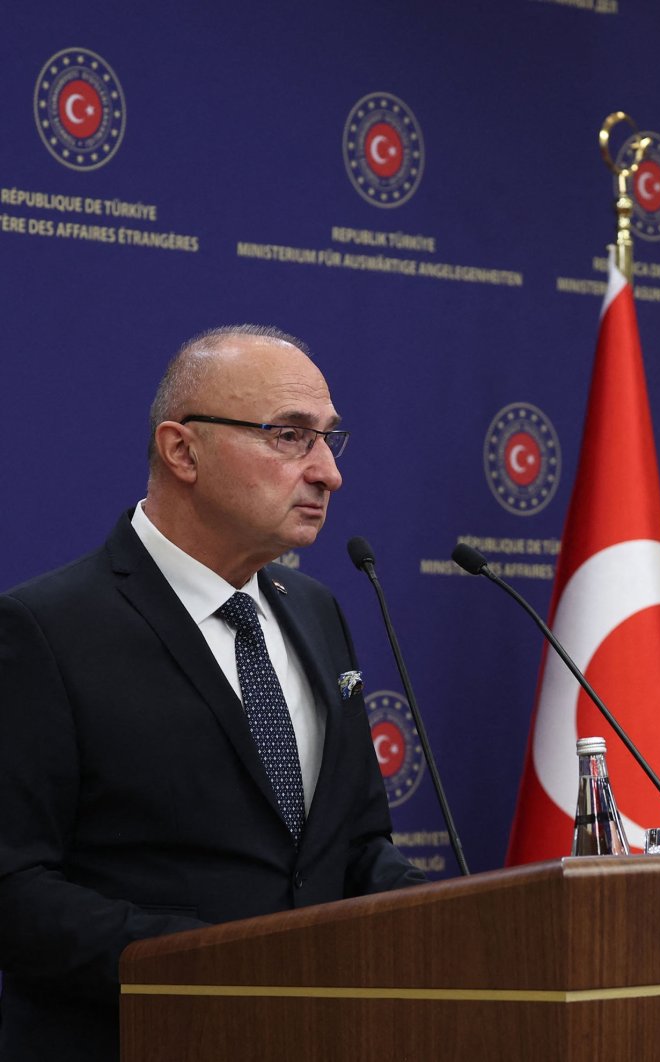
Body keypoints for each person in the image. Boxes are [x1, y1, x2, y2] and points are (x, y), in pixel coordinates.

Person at [0, 325, 426, 1061]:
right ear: (182, 450)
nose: (328, 471)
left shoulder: (317, 611)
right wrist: (223, 967)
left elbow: (354, 844)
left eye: (329, 439)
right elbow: (15, 889)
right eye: (291, 436)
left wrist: (449, 918)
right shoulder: (44, 629)